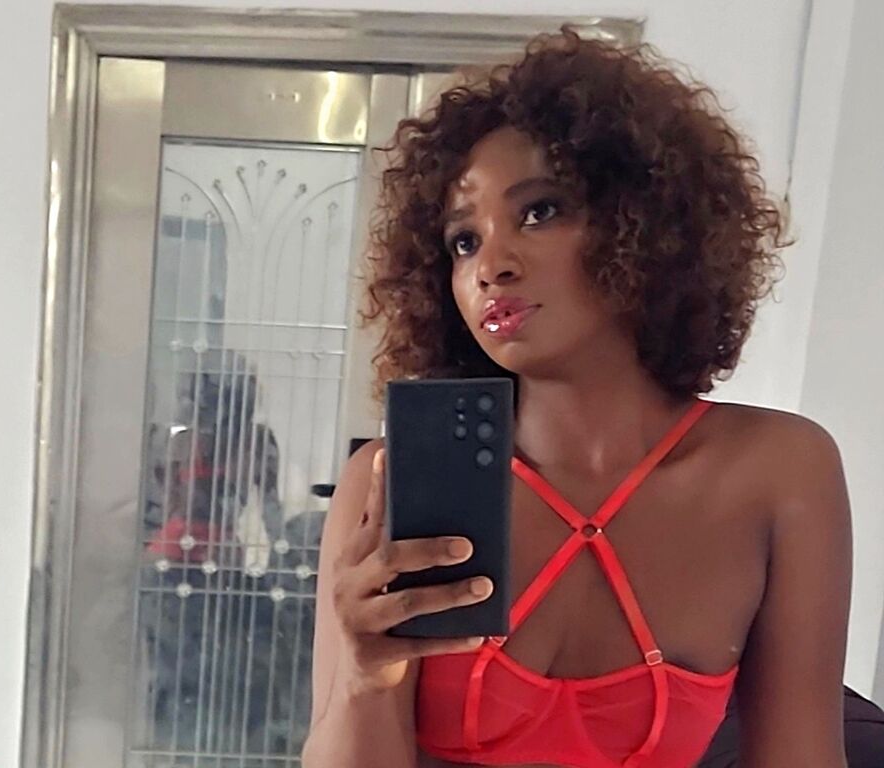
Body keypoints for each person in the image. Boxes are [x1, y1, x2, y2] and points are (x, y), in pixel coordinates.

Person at [301, 30, 853, 768]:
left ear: (645, 224)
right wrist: (363, 680)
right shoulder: (386, 483)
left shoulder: (780, 473)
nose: (491, 265)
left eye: (539, 211)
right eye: (463, 241)